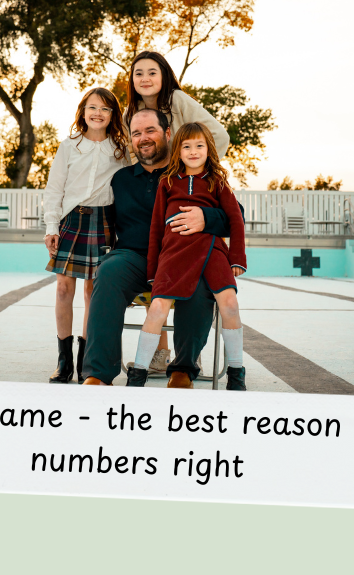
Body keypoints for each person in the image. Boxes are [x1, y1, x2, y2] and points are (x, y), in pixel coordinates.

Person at [81, 108, 239, 388]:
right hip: (134, 258)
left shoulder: (188, 171)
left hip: (182, 256)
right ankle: (98, 373)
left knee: (200, 281)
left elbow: (235, 214)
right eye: (136, 133)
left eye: (150, 130)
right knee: (107, 272)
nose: (143, 138)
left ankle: (183, 368)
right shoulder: (121, 179)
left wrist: (206, 218)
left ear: (167, 133)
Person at [122, 50, 232, 373]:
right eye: (138, 72)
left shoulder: (178, 101)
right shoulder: (133, 112)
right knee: (156, 265)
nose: (145, 78)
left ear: (163, 75)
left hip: (183, 192)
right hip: (152, 195)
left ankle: (189, 354)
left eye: (152, 72)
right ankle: (159, 353)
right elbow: (131, 154)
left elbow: (220, 136)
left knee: (191, 275)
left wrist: (193, 170)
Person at [127, 122, 247, 390]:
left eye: (199, 145)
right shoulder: (168, 183)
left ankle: (237, 374)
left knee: (229, 304)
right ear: (178, 151)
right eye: (187, 146)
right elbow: (156, 228)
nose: (194, 151)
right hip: (174, 252)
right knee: (158, 307)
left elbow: (235, 220)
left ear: (209, 149)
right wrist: (152, 271)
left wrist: (237, 258)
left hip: (211, 250)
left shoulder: (217, 182)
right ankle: (138, 376)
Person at [42, 87, 130, 384]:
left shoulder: (121, 149)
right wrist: (51, 227)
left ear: (112, 115)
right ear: (83, 111)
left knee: (94, 292)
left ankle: (85, 360)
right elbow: (54, 189)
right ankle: (63, 361)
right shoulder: (69, 146)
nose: (97, 113)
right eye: (92, 107)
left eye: (105, 109)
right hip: (71, 221)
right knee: (63, 290)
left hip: (103, 222)